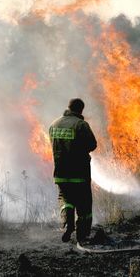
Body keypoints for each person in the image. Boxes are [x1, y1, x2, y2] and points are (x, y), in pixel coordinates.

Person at [49, 98, 97, 242]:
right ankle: (82, 234)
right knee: (84, 204)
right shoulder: (81, 124)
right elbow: (92, 145)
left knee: (65, 199)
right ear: (81, 110)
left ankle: (67, 222)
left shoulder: (54, 124)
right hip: (79, 173)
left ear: (68, 107)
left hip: (61, 173)